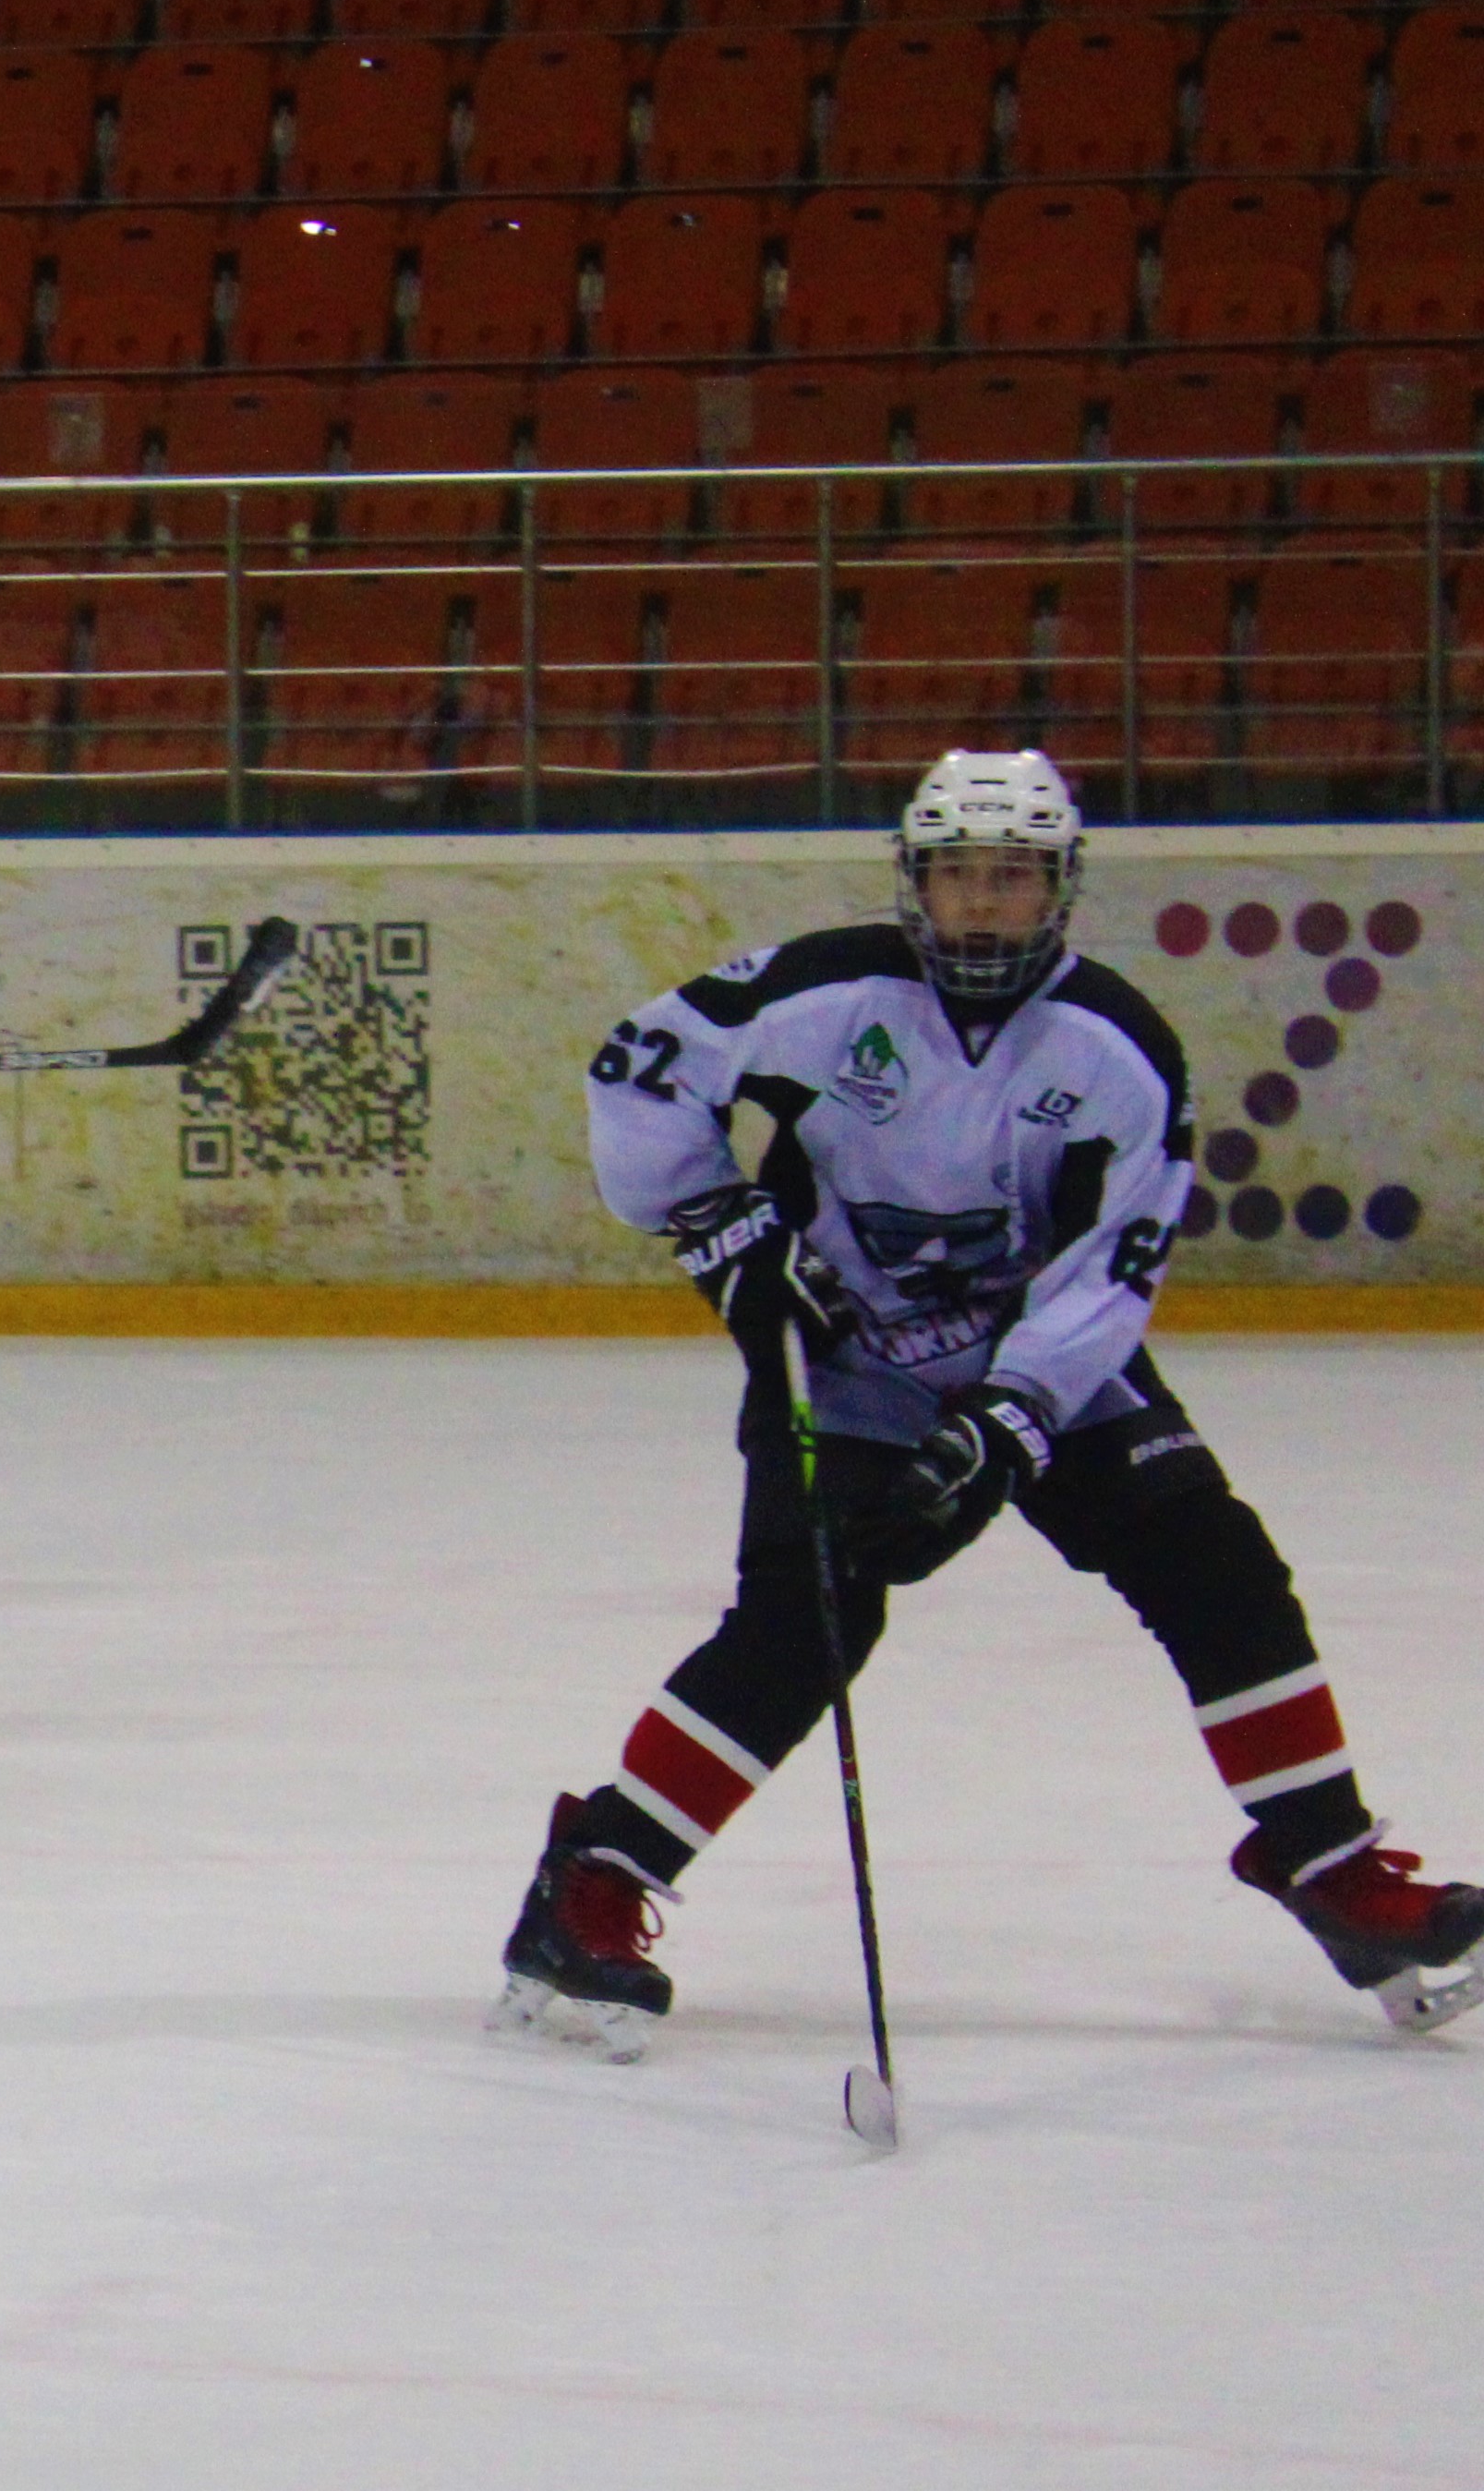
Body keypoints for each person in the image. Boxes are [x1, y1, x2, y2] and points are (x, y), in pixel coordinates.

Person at [498, 748, 1484, 2054]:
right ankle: (595, 1883)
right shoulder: (825, 991)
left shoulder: (1121, 1048)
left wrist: (1014, 1417)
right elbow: (637, 1066)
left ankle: (1330, 1866)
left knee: (1217, 1565)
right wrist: (722, 1224)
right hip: (841, 1354)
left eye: (1011, 880)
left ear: (1058, 890)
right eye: (959, 876)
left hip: (1048, 1365)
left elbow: (1109, 1273)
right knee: (808, 1620)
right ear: (916, 883)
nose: (981, 906)